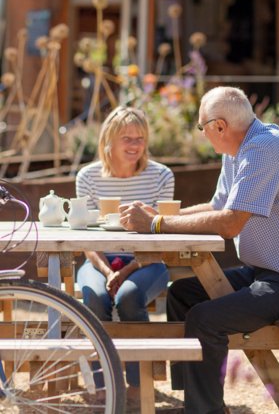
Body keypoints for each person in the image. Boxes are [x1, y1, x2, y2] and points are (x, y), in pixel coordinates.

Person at [120, 86, 279, 414]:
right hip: (272, 272)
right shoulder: (239, 150)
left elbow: (229, 224)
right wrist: (160, 216)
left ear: (220, 126)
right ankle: (199, 403)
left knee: (205, 318)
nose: (203, 135)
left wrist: (156, 225)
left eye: (202, 127)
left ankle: (203, 410)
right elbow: (218, 205)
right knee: (183, 294)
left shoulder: (263, 150)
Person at [76, 105, 174, 401]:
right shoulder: (88, 177)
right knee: (94, 297)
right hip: (99, 261)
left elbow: (160, 232)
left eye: (140, 138)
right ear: (109, 140)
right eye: (127, 138)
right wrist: (107, 271)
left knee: (129, 296)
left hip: (148, 261)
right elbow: (84, 237)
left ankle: (137, 384)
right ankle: (103, 383)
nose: (135, 145)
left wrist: (126, 271)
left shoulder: (161, 176)